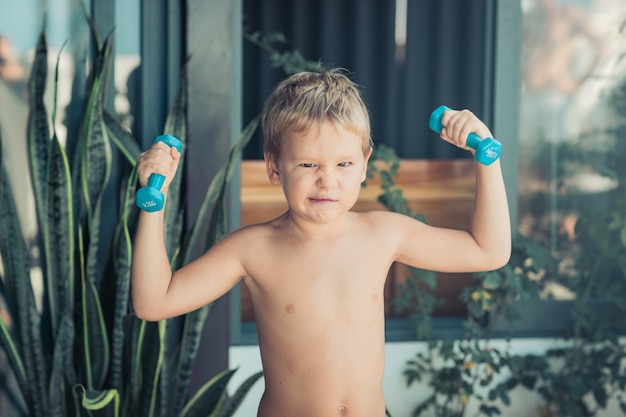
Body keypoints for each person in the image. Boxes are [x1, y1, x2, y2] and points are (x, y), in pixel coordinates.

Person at [132, 69, 511, 417]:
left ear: (364, 164)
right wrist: (154, 203)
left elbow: (488, 251)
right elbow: (154, 301)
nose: (327, 181)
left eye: (344, 164)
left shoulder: (383, 234)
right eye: (308, 165)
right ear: (274, 166)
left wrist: (486, 156)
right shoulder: (253, 249)